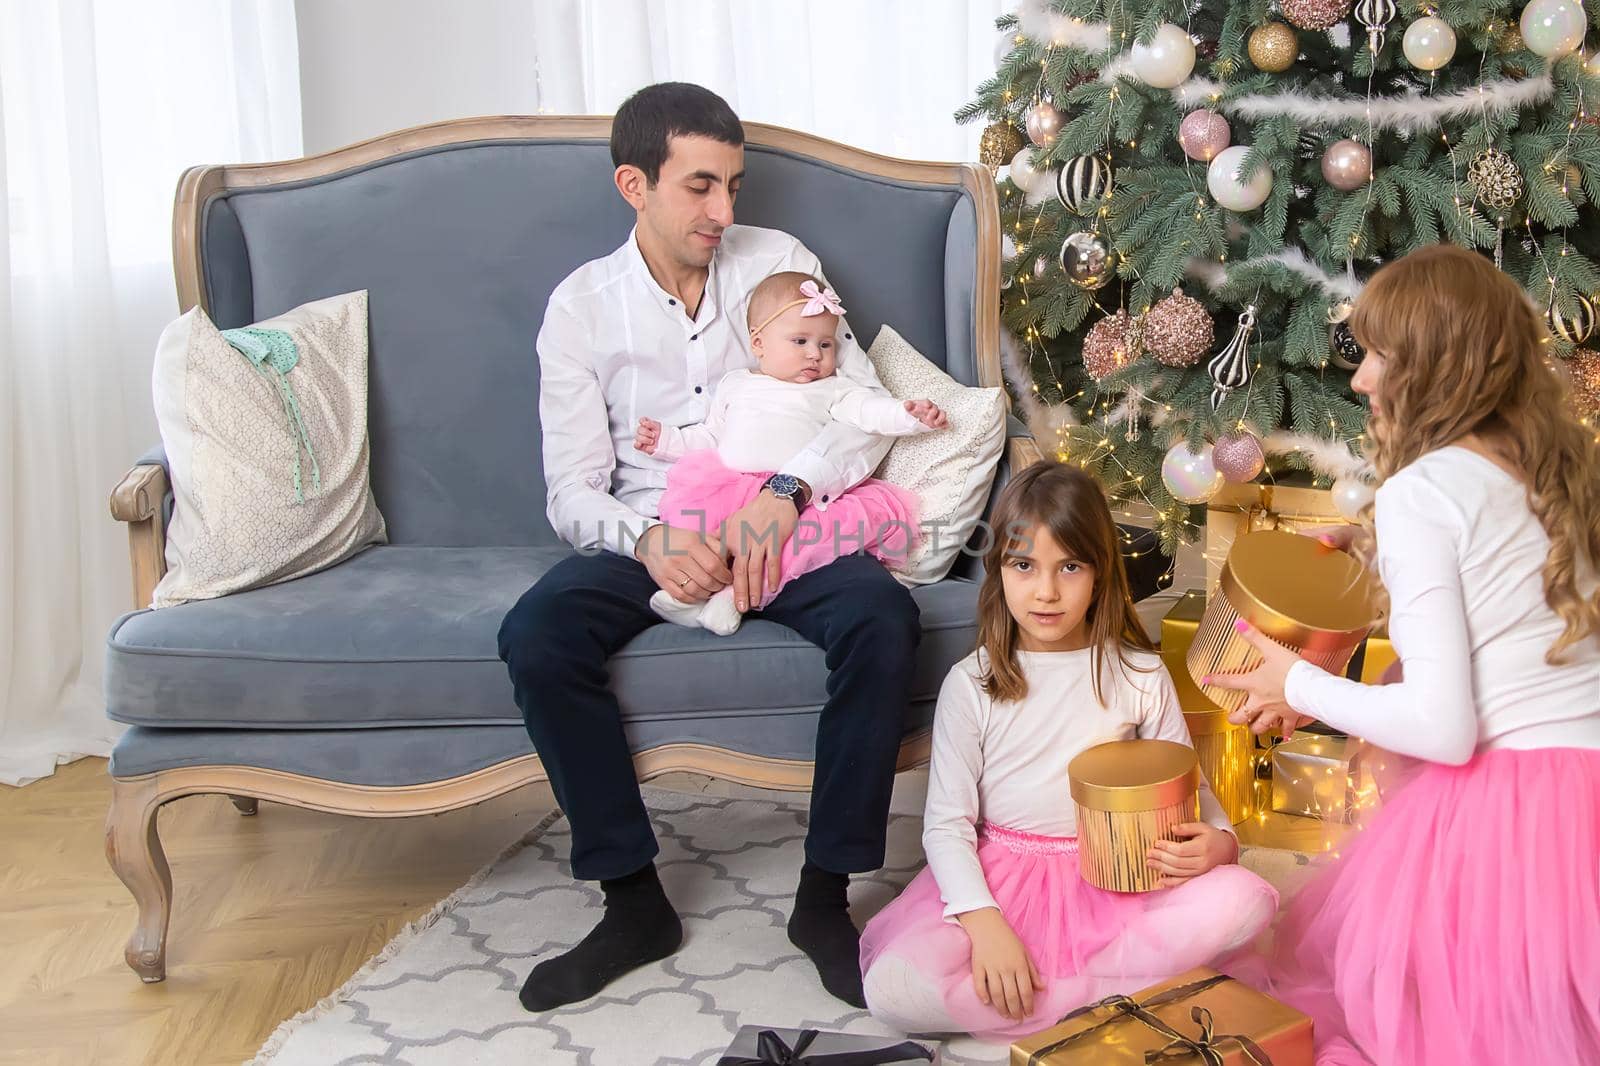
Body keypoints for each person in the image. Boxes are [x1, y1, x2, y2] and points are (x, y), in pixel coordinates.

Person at [497, 82, 920, 1012]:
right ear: (633, 184)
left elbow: (855, 412)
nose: (725, 212)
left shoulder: (783, 264)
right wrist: (647, 540)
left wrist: (786, 491)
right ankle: (633, 901)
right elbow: (571, 489)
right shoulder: (580, 308)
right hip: (649, 529)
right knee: (537, 636)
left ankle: (824, 898)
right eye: (700, 188)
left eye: (734, 185)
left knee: (882, 619)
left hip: (786, 523)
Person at [1206, 243, 1600, 1065]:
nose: (1360, 380)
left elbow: (1442, 726)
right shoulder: (1553, 466)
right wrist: (1379, 549)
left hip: (1517, 815)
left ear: (1433, 367)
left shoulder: (1423, 491)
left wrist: (1298, 680)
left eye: (1378, 356)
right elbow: (1508, 592)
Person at [858, 462, 1278, 1041]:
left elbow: (1192, 792)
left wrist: (1221, 842)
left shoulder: (1140, 674)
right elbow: (947, 826)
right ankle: (1110, 996)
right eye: (1024, 566)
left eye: (1070, 567)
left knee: (1246, 900)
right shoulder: (972, 683)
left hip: (1122, 874)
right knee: (892, 990)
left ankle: (1071, 996)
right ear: (998, 570)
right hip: (1005, 883)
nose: (1046, 591)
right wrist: (985, 926)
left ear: (1100, 574)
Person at [635, 269, 946, 634]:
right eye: (800, 341)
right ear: (759, 343)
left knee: (791, 548)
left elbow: (869, 413)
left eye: (826, 344)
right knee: (706, 535)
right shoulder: (737, 385)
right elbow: (711, 437)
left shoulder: (834, 389)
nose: (815, 354)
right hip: (729, 487)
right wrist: (667, 441)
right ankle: (695, 591)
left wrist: (909, 416)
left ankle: (729, 601)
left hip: (802, 502)